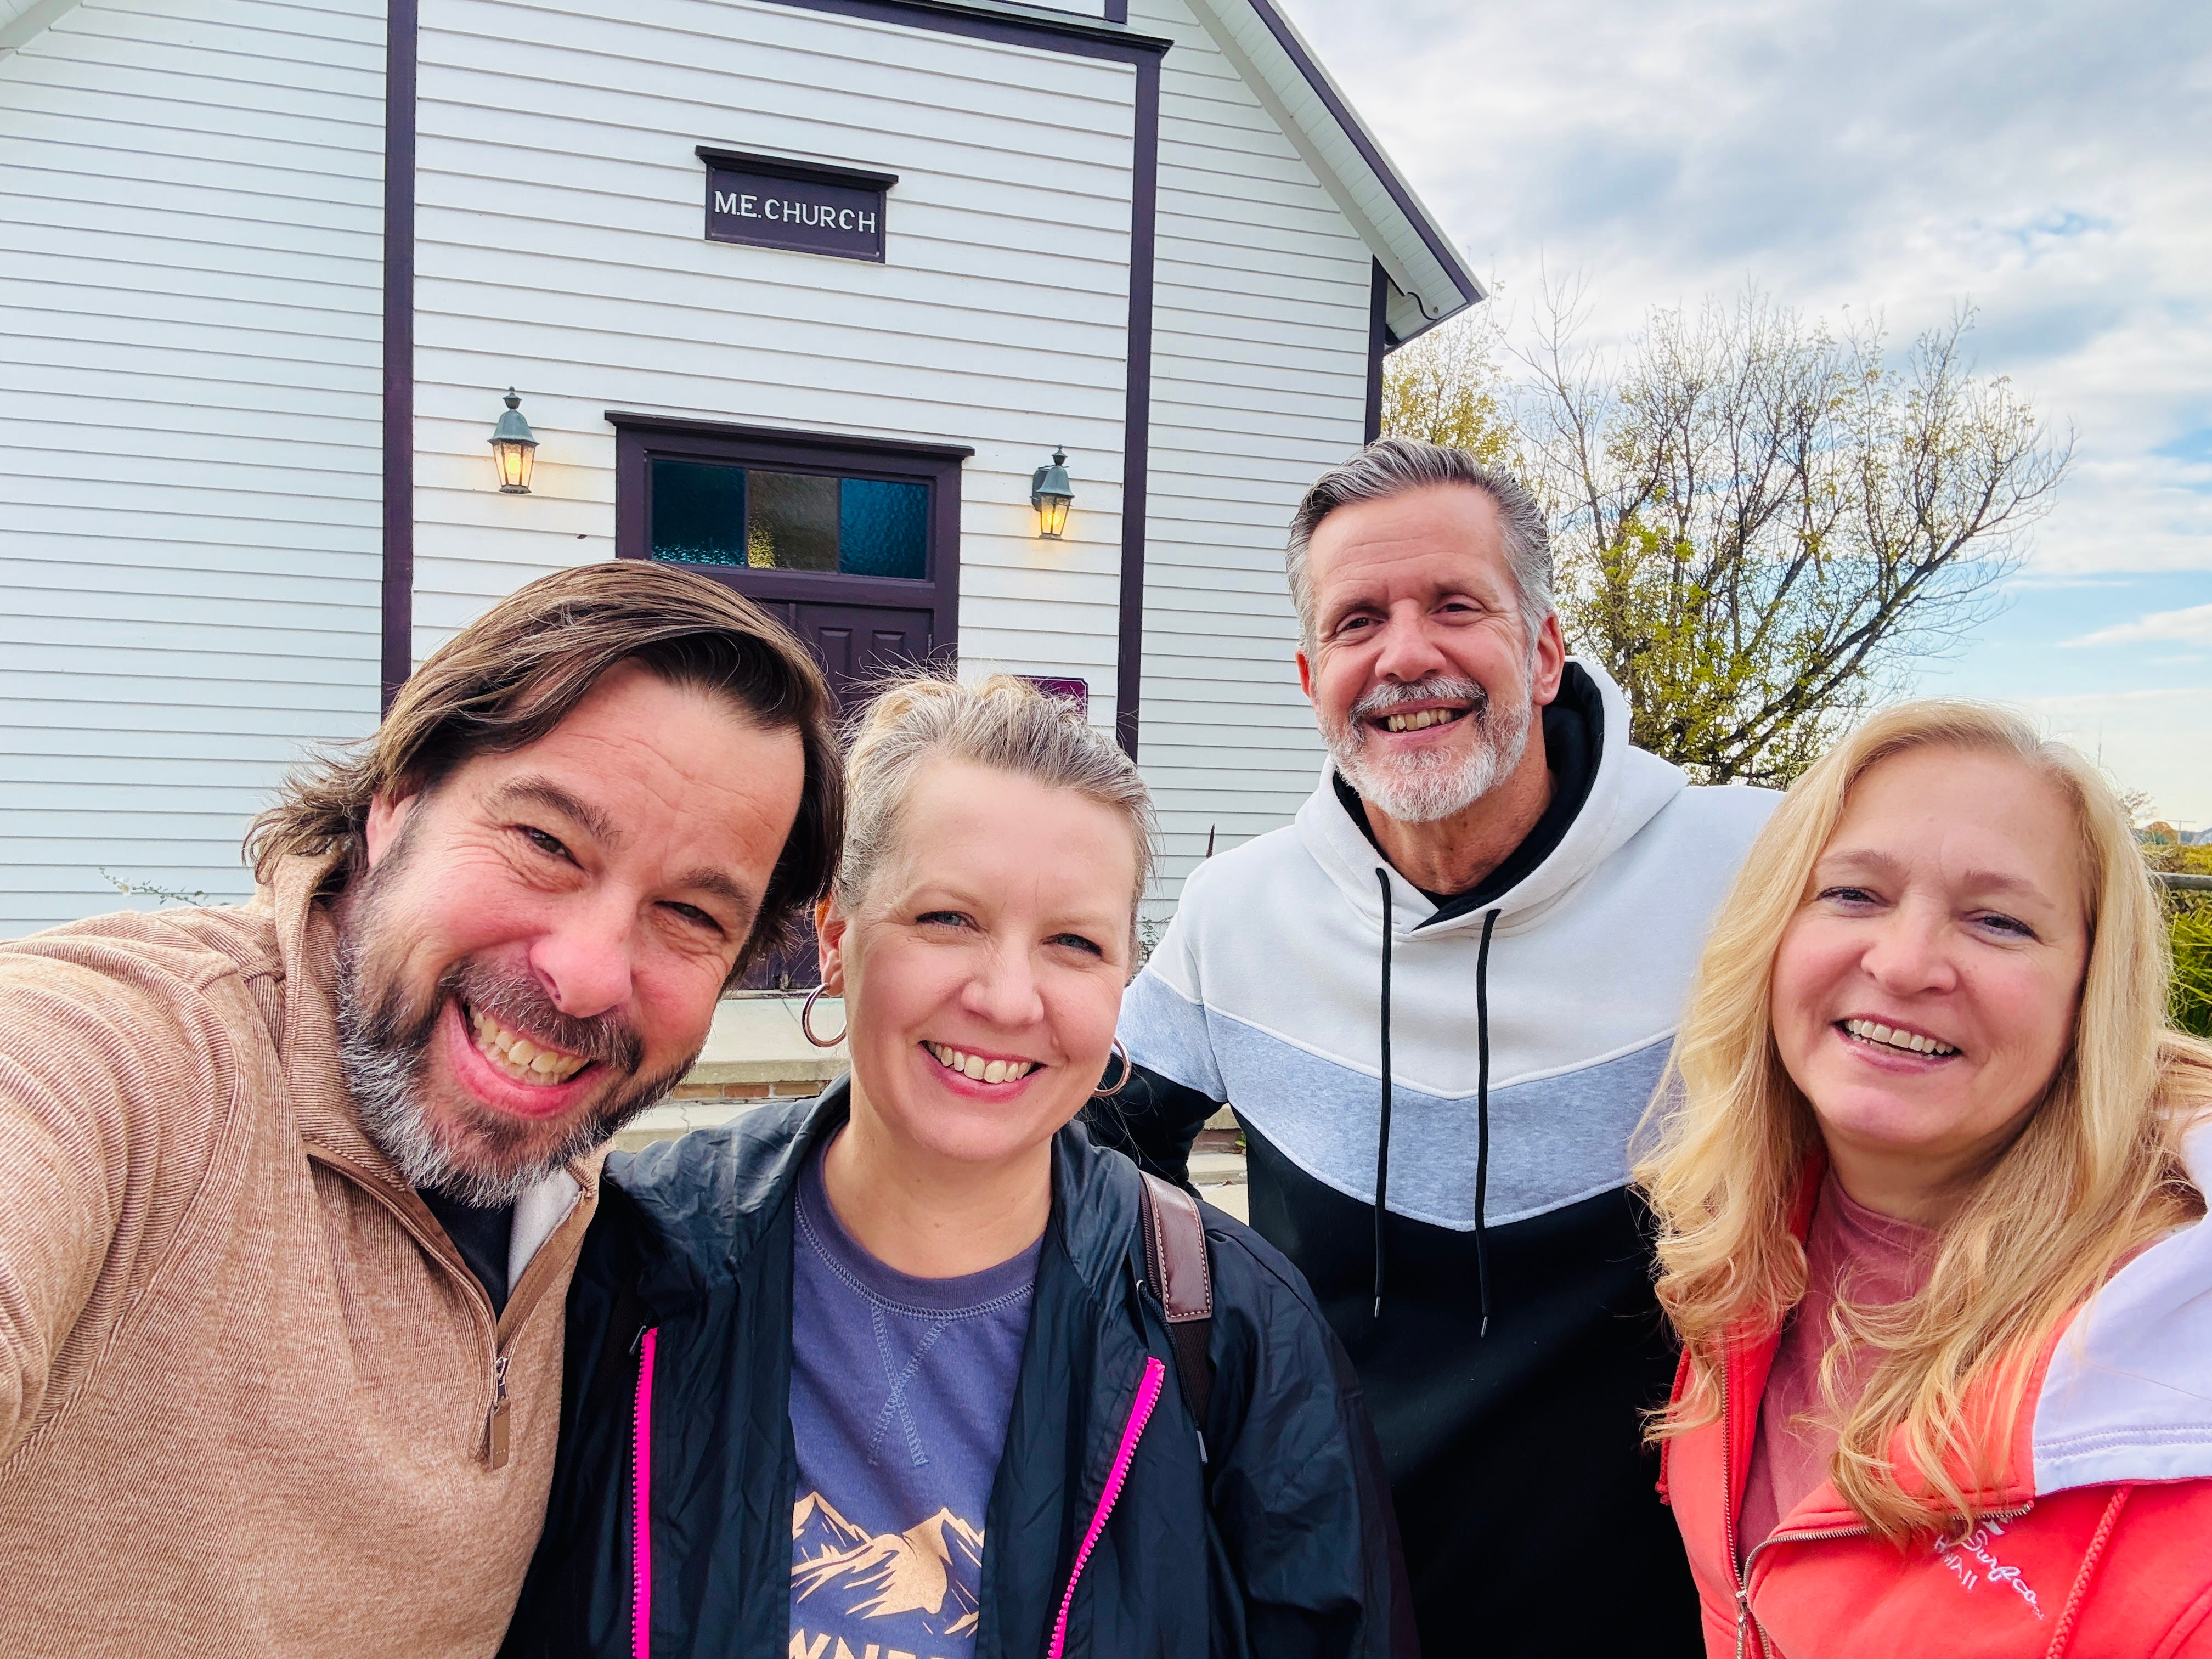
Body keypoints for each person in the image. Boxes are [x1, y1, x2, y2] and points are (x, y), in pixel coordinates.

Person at [0, 562, 843, 1657]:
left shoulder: (587, 1201)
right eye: (546, 844)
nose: (588, 976)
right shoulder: (130, 1065)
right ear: (398, 802)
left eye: (688, 913)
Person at [501, 674, 1413, 1659]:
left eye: (1074, 942)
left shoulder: (1233, 1329)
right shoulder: (628, 1263)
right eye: (948, 919)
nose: (1009, 999)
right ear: (837, 937)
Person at [1094, 435, 1777, 1654]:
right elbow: (1082, 1166)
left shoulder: (1748, 872)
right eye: (1358, 621)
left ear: (1545, 650)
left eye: (1455, 605)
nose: (1405, 654)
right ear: (1312, 676)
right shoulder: (1235, 912)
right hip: (1328, 1595)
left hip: (1669, 1607)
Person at [1640, 701, 2212, 1658]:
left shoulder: (2169, 1394)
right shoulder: (1746, 1237)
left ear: (2089, 994)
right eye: (1854, 894)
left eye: (1999, 921)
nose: (1905, 965)